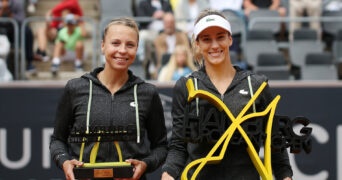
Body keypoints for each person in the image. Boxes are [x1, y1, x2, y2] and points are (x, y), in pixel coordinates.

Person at [161, 9, 293, 180]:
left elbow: (276, 144)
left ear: (230, 39)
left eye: (220, 37)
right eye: (206, 39)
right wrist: (168, 174)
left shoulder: (257, 85)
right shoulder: (186, 86)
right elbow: (179, 146)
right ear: (198, 44)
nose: (215, 45)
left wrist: (285, 176)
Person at [50, 17, 168, 180]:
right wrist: (64, 161)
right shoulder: (76, 88)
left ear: (136, 49)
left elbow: (161, 147)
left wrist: (145, 164)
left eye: (130, 45)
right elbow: (57, 140)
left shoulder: (147, 93)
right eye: (116, 43)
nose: (122, 50)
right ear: (102, 46)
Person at [0, 0, 36, 75]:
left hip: (13, 30)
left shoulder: (17, 2)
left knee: (27, 31)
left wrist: (9, 13)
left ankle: (29, 63)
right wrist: (2, 10)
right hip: (1, 30)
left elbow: (21, 19)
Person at [153, 12, 190, 79]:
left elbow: (187, 52)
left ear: (174, 23)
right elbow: (160, 57)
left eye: (171, 22)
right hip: (165, 66)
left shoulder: (182, 36)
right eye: (166, 23)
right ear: (163, 24)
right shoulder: (158, 39)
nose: (169, 25)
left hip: (182, 65)